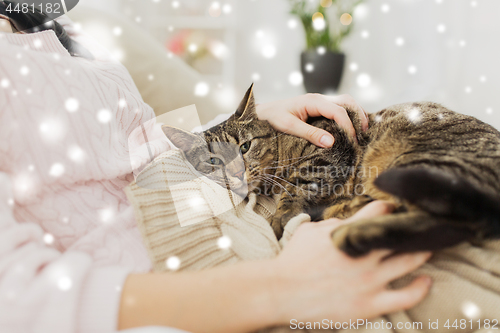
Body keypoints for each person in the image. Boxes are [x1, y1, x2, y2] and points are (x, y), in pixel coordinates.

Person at [0, 7, 432, 333]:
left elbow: (139, 157)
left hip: (235, 235)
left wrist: (245, 127)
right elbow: (18, 302)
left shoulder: (56, 30)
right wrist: (286, 287)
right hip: (208, 292)